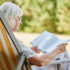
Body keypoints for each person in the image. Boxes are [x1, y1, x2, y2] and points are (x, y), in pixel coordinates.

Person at [0, 2, 69, 70]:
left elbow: (12, 55)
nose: (21, 22)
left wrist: (27, 51)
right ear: (10, 18)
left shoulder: (4, 41)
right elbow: (40, 62)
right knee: (63, 53)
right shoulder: (13, 41)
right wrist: (58, 49)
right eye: (19, 18)